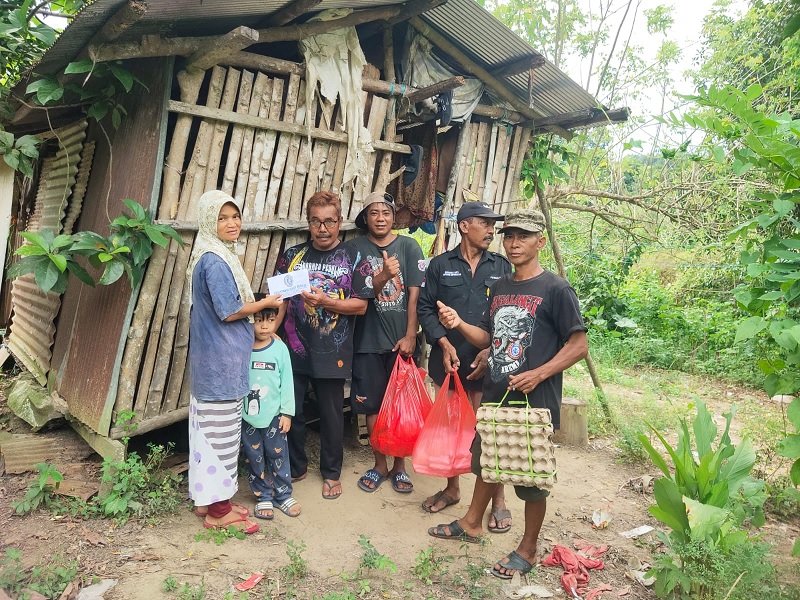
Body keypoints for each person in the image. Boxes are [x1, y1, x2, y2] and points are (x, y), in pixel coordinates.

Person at [427, 207, 589, 580]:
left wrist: (540, 373)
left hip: (535, 399)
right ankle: (471, 522)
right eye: (510, 236)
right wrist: (460, 325)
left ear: (540, 242)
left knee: (532, 476)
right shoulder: (500, 286)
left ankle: (528, 548)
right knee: (487, 460)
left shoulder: (555, 288)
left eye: (524, 237)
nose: (514, 244)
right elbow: (488, 336)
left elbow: (579, 345)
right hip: (498, 392)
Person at [187, 190, 282, 534]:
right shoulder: (214, 260)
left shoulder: (211, 254)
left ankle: (206, 502)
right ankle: (219, 512)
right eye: (222, 217)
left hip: (211, 361)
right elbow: (229, 311)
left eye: (235, 216)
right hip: (220, 364)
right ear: (209, 222)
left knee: (205, 434)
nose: (231, 223)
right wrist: (264, 303)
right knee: (221, 439)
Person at [417, 201, 512, 533]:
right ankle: (453, 488)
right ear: (463, 226)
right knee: (451, 430)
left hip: (491, 366)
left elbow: (508, 315)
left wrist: (490, 350)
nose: (491, 230)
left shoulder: (501, 267)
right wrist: (443, 344)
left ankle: (498, 500)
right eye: (484, 223)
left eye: (491, 224)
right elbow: (426, 309)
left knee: (490, 430)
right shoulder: (440, 266)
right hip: (450, 363)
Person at [273, 191, 368, 500]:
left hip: (333, 350)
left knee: (330, 414)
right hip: (294, 347)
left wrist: (326, 301)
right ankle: (296, 466)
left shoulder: (353, 257)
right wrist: (271, 334)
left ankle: (331, 472)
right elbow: (279, 300)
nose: (323, 228)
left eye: (329, 221)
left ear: (339, 221)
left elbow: (361, 306)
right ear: (309, 222)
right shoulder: (292, 256)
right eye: (316, 221)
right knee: (293, 410)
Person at [348, 192, 425, 494]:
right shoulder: (353, 248)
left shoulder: (409, 246)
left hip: (400, 342)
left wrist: (410, 334)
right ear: (365, 218)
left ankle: (400, 467)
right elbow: (359, 292)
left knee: (402, 407)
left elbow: (416, 296)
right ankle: (380, 464)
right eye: (374, 213)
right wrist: (382, 275)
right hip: (366, 340)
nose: (380, 218)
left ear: (394, 217)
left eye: (386, 213)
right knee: (374, 406)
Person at [241, 301, 301, 520]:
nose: (264, 327)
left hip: (274, 416)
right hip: (248, 416)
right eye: (258, 321)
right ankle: (263, 495)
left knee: (278, 455)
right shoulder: (243, 347)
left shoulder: (280, 349)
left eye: (270, 320)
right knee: (254, 457)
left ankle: (283, 495)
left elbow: (287, 381)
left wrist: (287, 413)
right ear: (250, 321)